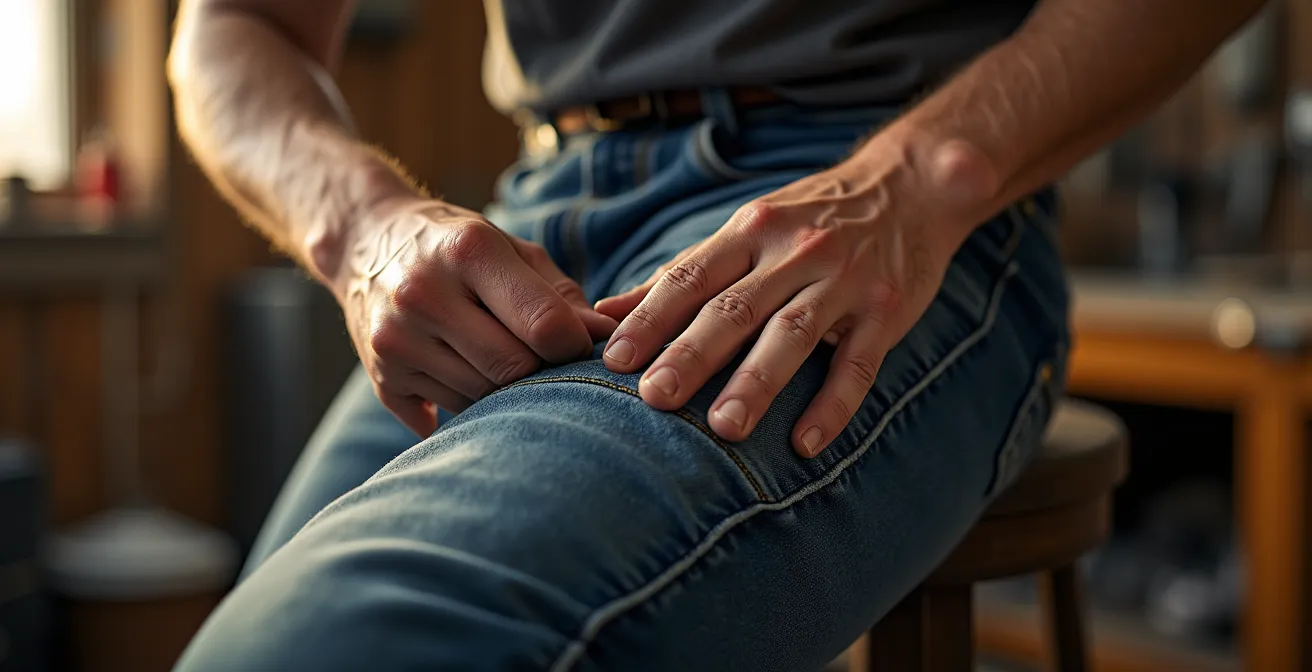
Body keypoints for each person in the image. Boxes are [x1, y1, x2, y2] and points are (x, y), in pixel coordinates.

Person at [167, 1, 1264, 669]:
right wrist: (361, 225)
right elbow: (230, 28)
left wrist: (924, 176)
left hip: (877, 187)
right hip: (535, 214)